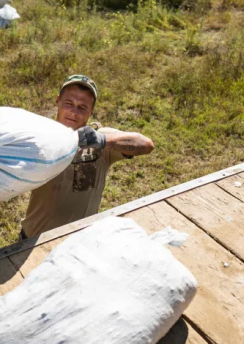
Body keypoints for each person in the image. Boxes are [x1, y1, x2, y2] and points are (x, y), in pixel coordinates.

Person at [21, 75, 154, 238]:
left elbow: (145, 144)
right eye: (69, 103)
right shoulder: (39, 137)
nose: (73, 112)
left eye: (82, 107)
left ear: (91, 112)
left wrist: (103, 140)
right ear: (58, 101)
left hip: (81, 239)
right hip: (34, 238)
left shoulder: (100, 140)